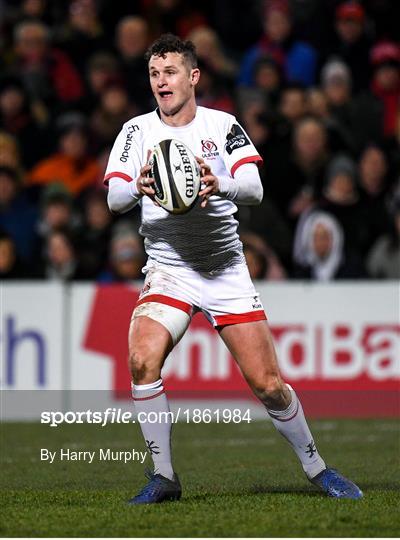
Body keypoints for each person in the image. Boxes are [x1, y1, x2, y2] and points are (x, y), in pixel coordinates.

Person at [104, 33, 362, 504]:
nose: (162, 82)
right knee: (142, 359)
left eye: (171, 72)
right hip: (169, 268)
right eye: (155, 74)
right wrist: (139, 186)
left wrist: (216, 182)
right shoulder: (136, 132)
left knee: (268, 385)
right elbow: (114, 196)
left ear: (193, 76)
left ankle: (318, 467)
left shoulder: (222, 125)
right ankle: (163, 477)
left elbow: (254, 187)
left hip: (225, 269)